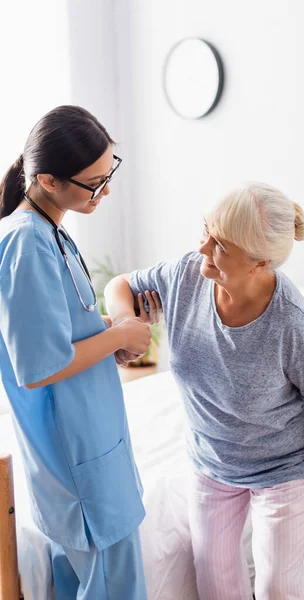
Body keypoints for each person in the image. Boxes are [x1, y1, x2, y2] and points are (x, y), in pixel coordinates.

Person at [105, 183, 304, 600]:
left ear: (260, 262)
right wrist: (128, 326)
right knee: (215, 583)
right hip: (211, 460)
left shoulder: (292, 324)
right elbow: (121, 286)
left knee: (277, 586)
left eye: (220, 245)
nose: (203, 248)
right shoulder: (186, 275)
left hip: (281, 469)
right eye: (205, 230)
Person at [0, 105, 152, 599]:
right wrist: (118, 337)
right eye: (93, 183)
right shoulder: (26, 242)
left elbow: (56, 332)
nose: (105, 191)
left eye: (109, 173)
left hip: (85, 450)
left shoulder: (48, 232)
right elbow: (38, 368)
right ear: (45, 179)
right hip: (79, 459)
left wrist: (111, 331)